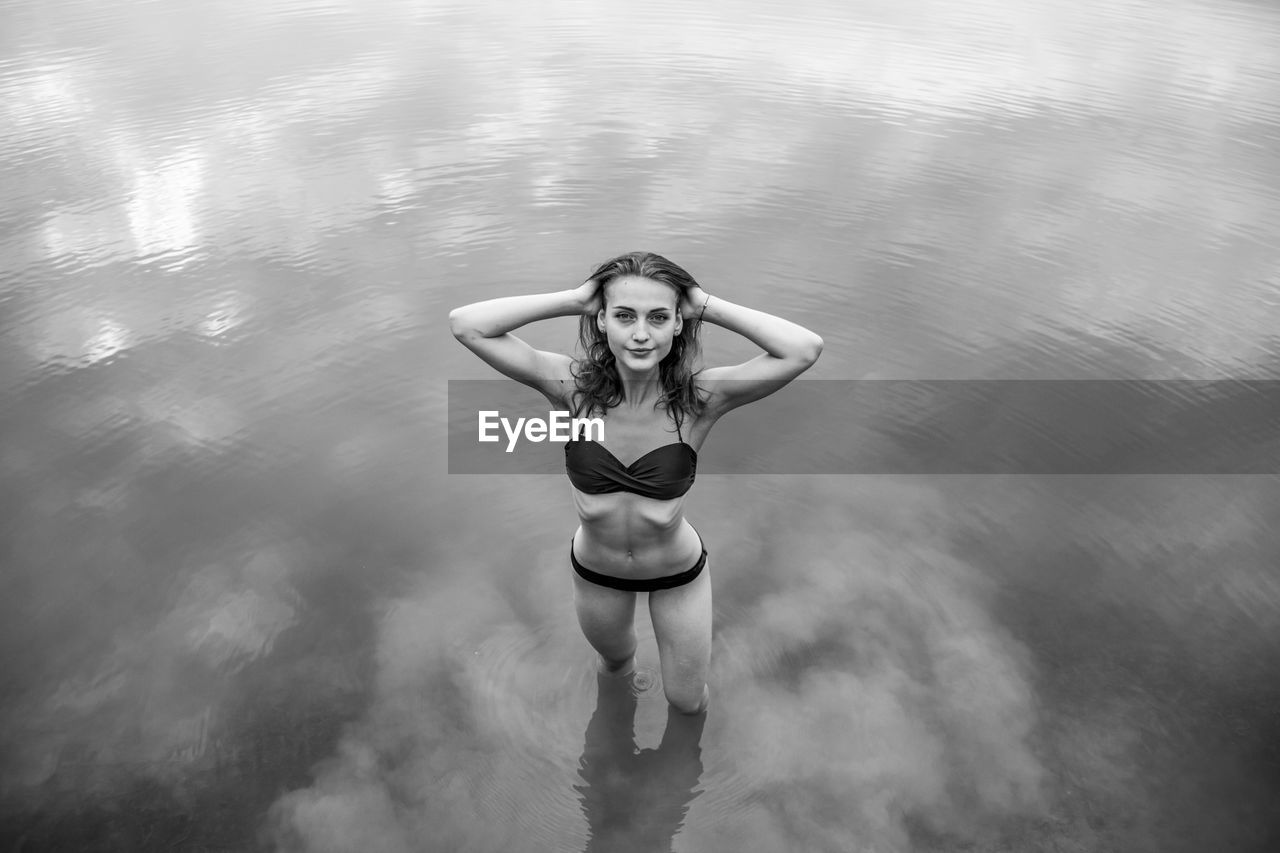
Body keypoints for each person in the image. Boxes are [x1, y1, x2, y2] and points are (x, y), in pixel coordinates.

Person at [449, 251, 822, 714]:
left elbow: (803, 349)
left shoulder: (699, 401)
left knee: (687, 702)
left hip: (676, 576)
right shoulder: (572, 389)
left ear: (678, 324)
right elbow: (466, 324)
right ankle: (613, 748)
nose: (642, 334)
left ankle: (677, 776)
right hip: (597, 574)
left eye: (659, 317)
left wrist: (703, 303)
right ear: (602, 320)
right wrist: (575, 299)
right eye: (624, 316)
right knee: (614, 666)